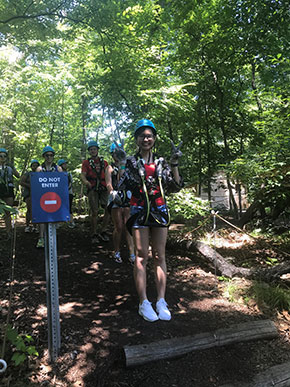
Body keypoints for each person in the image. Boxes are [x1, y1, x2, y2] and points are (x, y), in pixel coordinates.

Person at [118, 119, 183, 322]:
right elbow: (122, 187)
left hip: (159, 210)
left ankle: (161, 301)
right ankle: (144, 302)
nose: (146, 139)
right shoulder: (130, 161)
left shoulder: (161, 162)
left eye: (149, 135)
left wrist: (174, 164)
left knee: (160, 256)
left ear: (154, 139)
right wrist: (121, 165)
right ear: (137, 139)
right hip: (139, 211)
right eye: (142, 136)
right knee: (140, 256)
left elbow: (176, 185)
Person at [105, 142, 135, 264]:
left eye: (117, 153)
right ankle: (116, 251)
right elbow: (108, 183)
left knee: (128, 226)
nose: (115, 156)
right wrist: (112, 193)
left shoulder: (127, 166)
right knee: (119, 226)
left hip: (127, 197)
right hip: (116, 197)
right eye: (114, 154)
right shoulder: (110, 168)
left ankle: (132, 253)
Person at [80, 140, 110, 244]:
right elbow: (83, 174)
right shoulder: (86, 163)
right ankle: (93, 233)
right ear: (89, 151)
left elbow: (108, 174)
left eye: (94, 149)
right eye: (91, 149)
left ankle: (103, 230)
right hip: (92, 187)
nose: (93, 151)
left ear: (97, 150)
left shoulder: (104, 162)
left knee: (108, 209)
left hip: (104, 187)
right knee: (95, 211)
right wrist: (86, 182)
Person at [35, 146, 62, 248]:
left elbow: (62, 182)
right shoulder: (39, 169)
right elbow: (36, 183)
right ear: (44, 156)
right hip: (42, 197)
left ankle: (53, 239)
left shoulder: (58, 168)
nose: (49, 157)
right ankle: (41, 238)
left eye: (51, 155)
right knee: (42, 217)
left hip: (55, 197)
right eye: (47, 155)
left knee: (53, 217)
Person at [0, 147, 20, 238]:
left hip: (9, 190)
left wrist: (12, 167)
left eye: (4, 156)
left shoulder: (10, 167)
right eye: (0, 156)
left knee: (8, 211)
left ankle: (8, 232)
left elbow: (18, 175)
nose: (2, 157)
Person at [20, 159, 40, 233]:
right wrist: (30, 186)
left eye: (36, 165)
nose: (35, 167)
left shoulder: (41, 174)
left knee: (37, 210)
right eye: (33, 165)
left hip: (38, 195)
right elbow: (21, 182)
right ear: (31, 166)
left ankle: (35, 226)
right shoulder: (28, 174)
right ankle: (28, 226)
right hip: (29, 194)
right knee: (29, 209)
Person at [57, 159, 76, 228]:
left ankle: (71, 221)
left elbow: (71, 183)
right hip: (60, 194)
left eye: (65, 164)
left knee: (69, 207)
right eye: (64, 164)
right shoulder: (57, 174)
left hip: (69, 192)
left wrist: (72, 191)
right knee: (58, 207)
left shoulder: (68, 174)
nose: (66, 165)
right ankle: (59, 222)